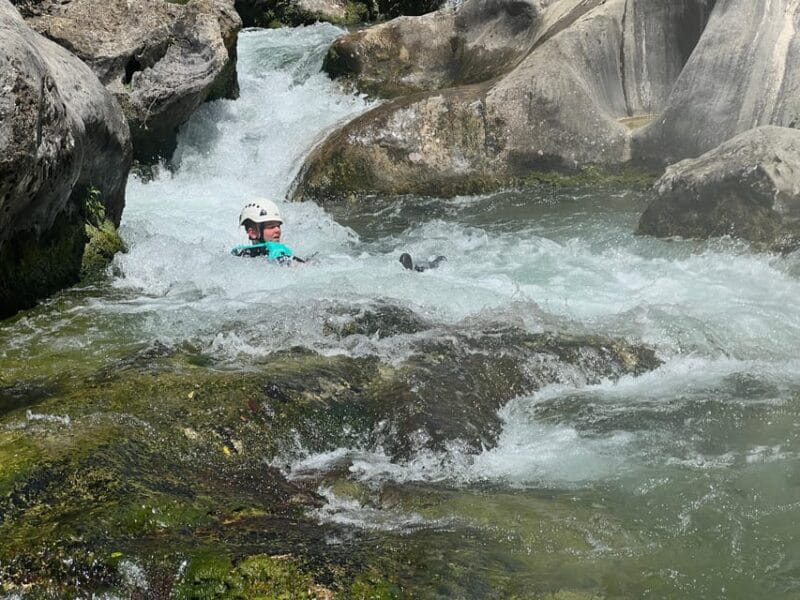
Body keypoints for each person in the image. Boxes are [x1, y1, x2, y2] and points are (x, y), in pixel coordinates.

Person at [231, 199, 305, 264]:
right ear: (252, 233)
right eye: (271, 227)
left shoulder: (240, 256)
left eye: (278, 226)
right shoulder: (279, 257)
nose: (278, 230)